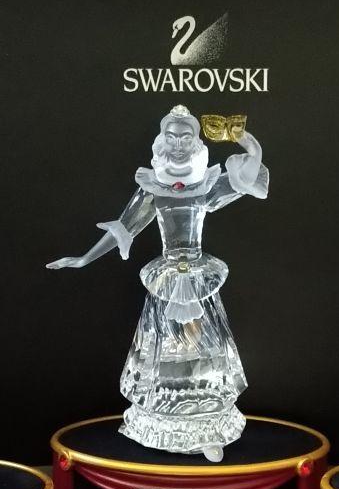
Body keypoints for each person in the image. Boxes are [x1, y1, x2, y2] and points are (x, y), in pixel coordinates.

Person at [48, 106, 268, 461]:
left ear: (196, 142)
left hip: (199, 276)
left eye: (185, 137)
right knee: (162, 350)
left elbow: (248, 173)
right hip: (166, 279)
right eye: (171, 136)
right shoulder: (152, 187)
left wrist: (244, 140)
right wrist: (84, 258)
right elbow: (125, 227)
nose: (178, 144)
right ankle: (159, 422)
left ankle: (207, 426)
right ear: (161, 141)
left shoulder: (204, 185)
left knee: (205, 350)